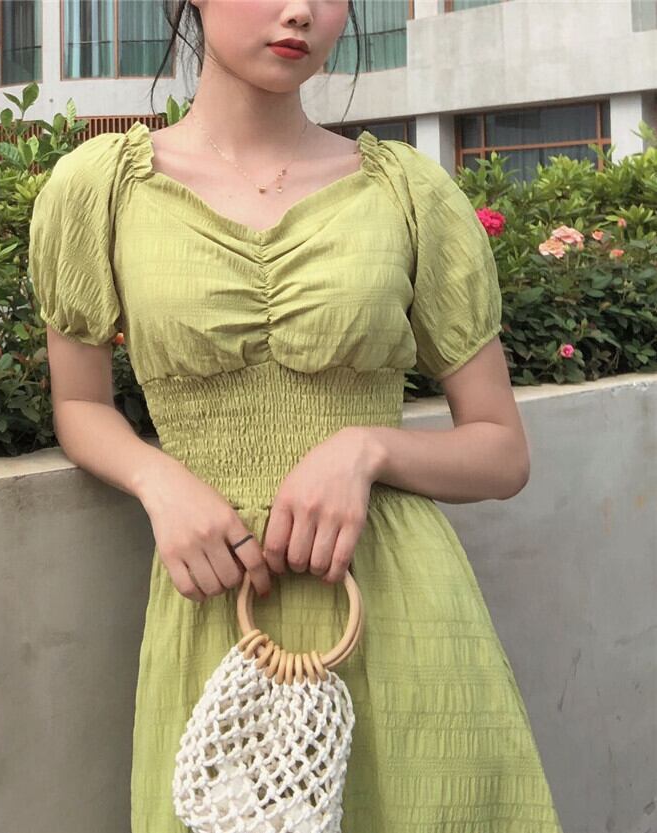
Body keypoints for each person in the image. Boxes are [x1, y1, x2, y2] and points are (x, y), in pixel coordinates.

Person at [28, 1, 565, 830]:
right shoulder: (100, 187)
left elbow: (502, 451)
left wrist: (366, 448)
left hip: (401, 610)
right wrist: (158, 481)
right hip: (214, 602)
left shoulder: (407, 190)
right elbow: (78, 404)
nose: (300, 12)